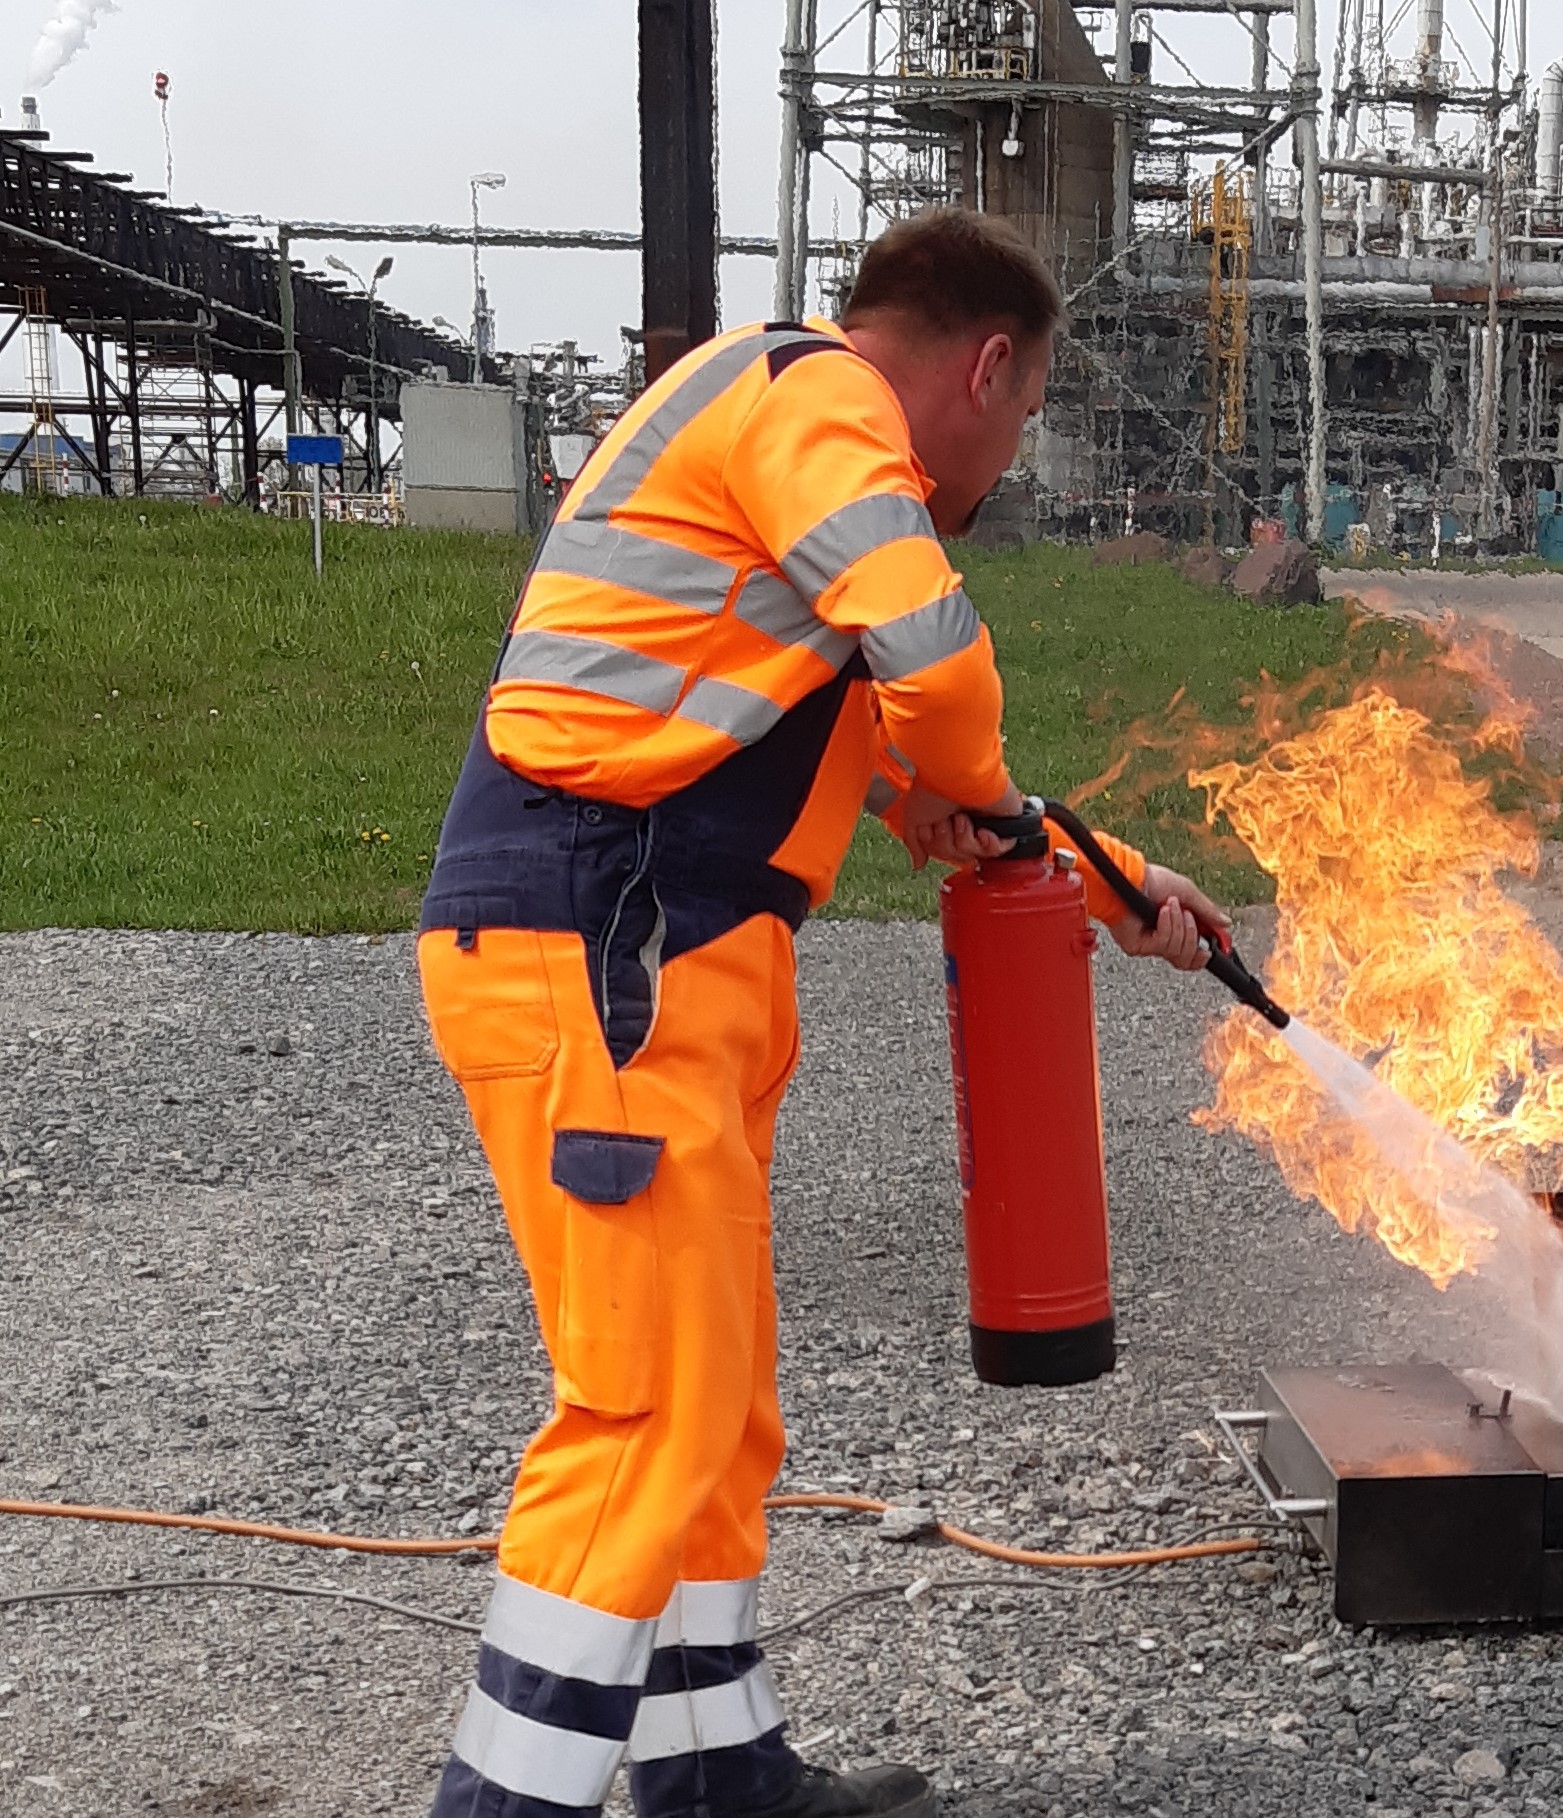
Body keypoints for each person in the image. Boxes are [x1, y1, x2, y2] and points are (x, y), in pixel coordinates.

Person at [416, 207, 1223, 1818]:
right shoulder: (817, 400)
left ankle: (722, 1783)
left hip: (641, 950)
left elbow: (915, 771)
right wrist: (977, 782)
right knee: (645, 1414)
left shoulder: (771, 460)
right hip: (611, 948)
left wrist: (1116, 882)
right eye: (1028, 410)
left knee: (715, 1411)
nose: (1008, 458)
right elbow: (932, 662)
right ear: (988, 366)